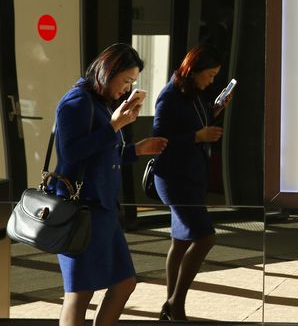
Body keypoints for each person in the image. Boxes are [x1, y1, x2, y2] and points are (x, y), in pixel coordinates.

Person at [53, 43, 168, 326]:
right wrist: (114, 127)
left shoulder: (99, 105)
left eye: (132, 83)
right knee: (79, 294)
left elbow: (102, 155)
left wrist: (137, 150)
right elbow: (70, 153)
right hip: (80, 211)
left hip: (101, 210)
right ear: (107, 71)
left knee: (124, 283)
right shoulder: (77, 101)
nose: (127, 89)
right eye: (126, 80)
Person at [151, 44, 232, 321]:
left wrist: (216, 110)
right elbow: (159, 141)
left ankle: (173, 306)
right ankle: (176, 302)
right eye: (209, 75)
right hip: (175, 177)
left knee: (181, 242)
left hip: (191, 175)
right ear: (193, 71)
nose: (211, 81)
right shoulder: (169, 96)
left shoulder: (193, 94)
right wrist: (197, 137)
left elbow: (195, 123)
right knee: (205, 236)